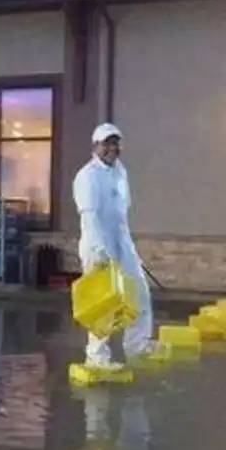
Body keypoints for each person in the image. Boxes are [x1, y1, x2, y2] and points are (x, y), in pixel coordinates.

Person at [73, 122, 158, 368]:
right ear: (95, 147)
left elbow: (121, 213)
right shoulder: (87, 176)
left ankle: (137, 345)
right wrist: (100, 251)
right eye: (106, 143)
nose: (112, 148)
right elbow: (90, 217)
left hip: (121, 241)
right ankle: (97, 357)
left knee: (139, 292)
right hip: (97, 245)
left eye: (115, 143)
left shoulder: (121, 171)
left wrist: (129, 249)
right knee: (102, 303)